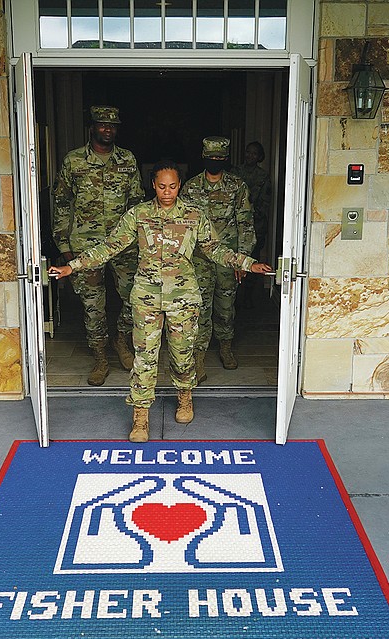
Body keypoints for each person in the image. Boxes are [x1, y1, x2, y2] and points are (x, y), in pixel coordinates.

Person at [49, 161, 271, 443]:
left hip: (183, 297)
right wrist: (74, 266)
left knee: (182, 353)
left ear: (180, 185)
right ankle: (140, 416)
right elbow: (110, 245)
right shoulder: (138, 215)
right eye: (162, 186)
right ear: (153, 185)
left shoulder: (194, 215)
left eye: (173, 186)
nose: (167, 192)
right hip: (146, 297)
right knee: (144, 357)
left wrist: (248, 264)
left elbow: (214, 248)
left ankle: (184, 396)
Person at [52, 105, 145, 386]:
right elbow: (61, 204)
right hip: (84, 245)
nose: (108, 129)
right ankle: (100, 357)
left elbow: (137, 204)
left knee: (134, 297)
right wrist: (64, 245)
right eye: (102, 125)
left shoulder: (127, 160)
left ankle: (120, 339)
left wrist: (140, 241)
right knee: (94, 306)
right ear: (91, 127)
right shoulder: (73, 161)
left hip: (124, 244)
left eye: (112, 125)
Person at [181, 137, 256, 381]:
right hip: (199, 259)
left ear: (225, 159)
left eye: (219, 158)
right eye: (210, 158)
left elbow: (245, 222)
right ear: (203, 157)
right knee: (199, 308)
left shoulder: (237, 186)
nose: (215, 162)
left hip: (228, 257)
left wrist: (242, 259)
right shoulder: (190, 187)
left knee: (225, 307)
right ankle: (198, 357)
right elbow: (181, 226)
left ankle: (225, 347)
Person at [234, 141, 272, 308]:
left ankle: (248, 296)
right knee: (233, 261)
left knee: (253, 261)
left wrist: (251, 213)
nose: (250, 156)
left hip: (255, 225)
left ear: (260, 156)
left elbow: (266, 201)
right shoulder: (235, 173)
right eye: (248, 152)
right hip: (234, 225)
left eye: (254, 153)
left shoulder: (263, 176)